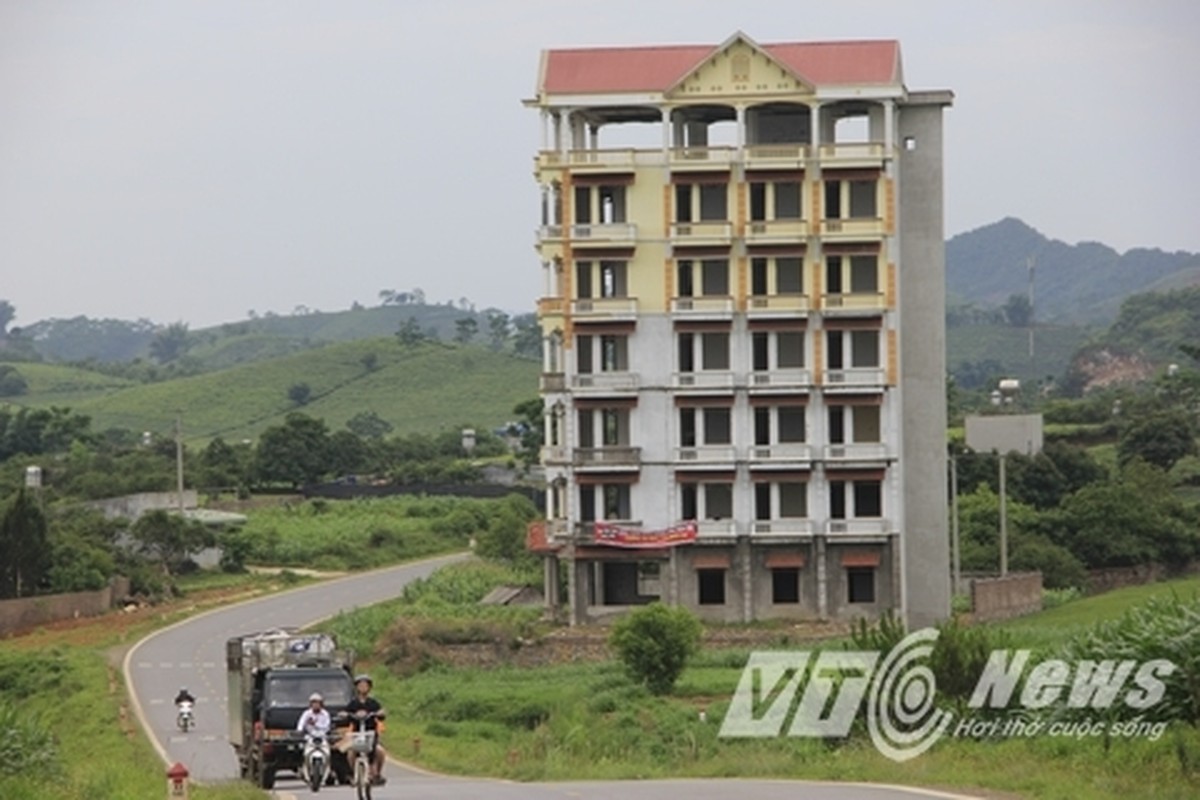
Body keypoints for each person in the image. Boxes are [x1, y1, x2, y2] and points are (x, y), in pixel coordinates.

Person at [341, 674, 386, 786]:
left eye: (365, 685)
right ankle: (353, 773)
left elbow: (381, 713)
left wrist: (380, 713)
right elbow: (345, 713)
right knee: (351, 752)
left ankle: (377, 774)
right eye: (360, 685)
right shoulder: (353, 703)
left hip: (371, 733)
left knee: (379, 752)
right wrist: (344, 714)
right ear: (357, 688)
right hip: (356, 733)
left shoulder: (373, 703)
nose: (363, 688)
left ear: (369, 687)